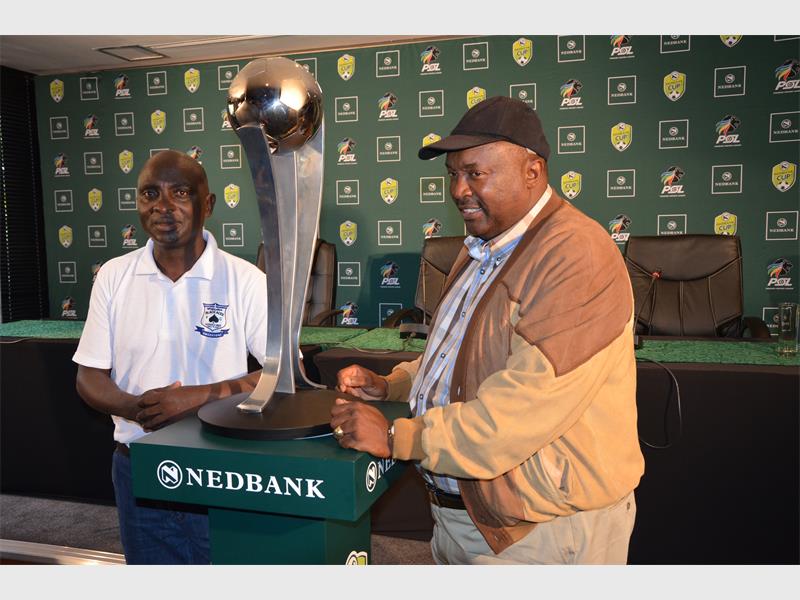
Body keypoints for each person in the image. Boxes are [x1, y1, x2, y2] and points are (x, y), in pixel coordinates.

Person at [330, 96, 645, 565]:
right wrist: (393, 384)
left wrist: (398, 438)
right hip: (470, 517)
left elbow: (521, 411)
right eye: (453, 174)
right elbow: (460, 355)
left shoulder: (576, 255)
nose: (459, 190)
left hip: (543, 532)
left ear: (533, 171)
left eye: (476, 173)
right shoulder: (482, 245)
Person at [73, 149, 267, 564]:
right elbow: (89, 377)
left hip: (221, 468)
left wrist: (195, 399)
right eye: (150, 194)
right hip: (137, 466)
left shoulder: (246, 280)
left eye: (180, 192)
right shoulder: (113, 276)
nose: (163, 206)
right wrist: (139, 408)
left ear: (208, 204)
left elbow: (286, 375)